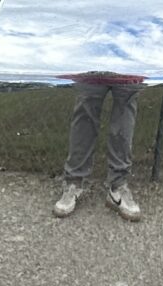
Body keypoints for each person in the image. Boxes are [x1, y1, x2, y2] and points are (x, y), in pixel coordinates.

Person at [55, 71, 147, 221]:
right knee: (84, 117)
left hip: (126, 61)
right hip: (93, 61)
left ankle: (118, 185)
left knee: (124, 121)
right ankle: (74, 182)